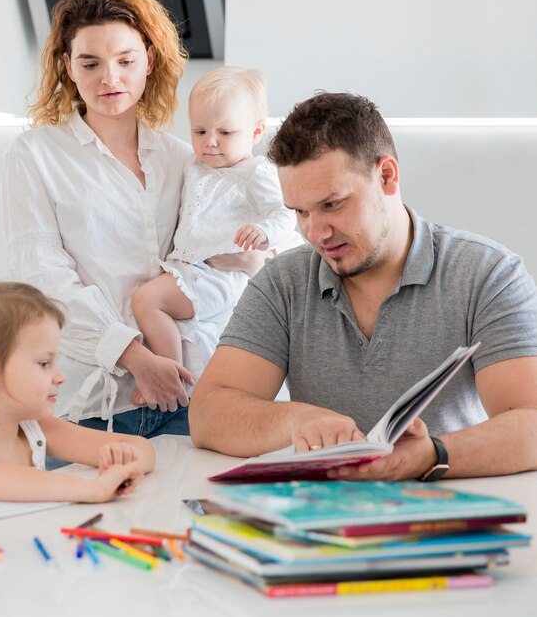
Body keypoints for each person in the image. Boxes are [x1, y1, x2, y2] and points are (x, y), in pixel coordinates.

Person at [189, 91, 537, 481]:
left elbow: (530, 422)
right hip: (319, 521)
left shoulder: (488, 274)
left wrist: (430, 456)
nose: (315, 233)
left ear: (387, 176)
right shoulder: (283, 281)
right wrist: (297, 420)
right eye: (300, 212)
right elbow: (207, 414)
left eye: (332, 204)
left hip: (445, 513)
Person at [1, 0, 265, 437]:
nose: (110, 78)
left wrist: (251, 258)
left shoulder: (186, 160)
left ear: (149, 59)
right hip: (93, 403)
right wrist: (138, 360)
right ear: (68, 67)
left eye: (125, 60)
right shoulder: (37, 155)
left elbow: (234, 256)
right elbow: (44, 278)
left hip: (192, 393)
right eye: (90, 63)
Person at [130, 67, 298, 403]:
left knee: (146, 301)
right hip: (192, 269)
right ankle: (180, 377)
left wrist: (263, 233)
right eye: (200, 130)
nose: (210, 141)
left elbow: (287, 213)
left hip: (218, 275)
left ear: (256, 132)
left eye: (225, 132)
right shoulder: (194, 165)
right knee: (155, 307)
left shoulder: (255, 173)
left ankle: (167, 376)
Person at [0, 282, 155, 502]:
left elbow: (145, 451)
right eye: (44, 364)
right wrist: (92, 489)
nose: (60, 377)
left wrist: (122, 458)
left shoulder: (36, 428)